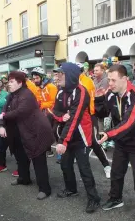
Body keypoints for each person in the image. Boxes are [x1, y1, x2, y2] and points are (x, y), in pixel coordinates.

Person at [95, 64, 135, 221]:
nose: (110, 83)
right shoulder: (110, 94)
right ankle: (116, 199)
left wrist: (109, 134)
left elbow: (129, 122)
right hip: (121, 142)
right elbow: (101, 114)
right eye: (109, 80)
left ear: (125, 79)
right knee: (116, 173)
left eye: (113, 80)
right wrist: (99, 98)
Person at [0, 71, 54, 200]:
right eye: (8, 81)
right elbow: (4, 110)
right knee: (20, 156)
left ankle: (45, 188)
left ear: (20, 82)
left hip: (35, 132)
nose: (8, 84)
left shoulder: (27, 94)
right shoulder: (11, 96)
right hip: (20, 131)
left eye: (11, 82)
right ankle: (24, 178)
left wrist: (4, 116)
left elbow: (21, 111)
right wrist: (1, 124)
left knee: (38, 159)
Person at [53, 62, 101, 213]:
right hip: (68, 135)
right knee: (65, 164)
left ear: (71, 76)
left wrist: (62, 141)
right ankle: (71, 189)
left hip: (81, 136)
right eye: (57, 73)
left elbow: (74, 119)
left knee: (84, 168)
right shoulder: (60, 91)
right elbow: (54, 111)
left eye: (61, 73)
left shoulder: (81, 92)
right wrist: (61, 117)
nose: (58, 76)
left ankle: (94, 198)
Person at [76, 63, 111, 178]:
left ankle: (106, 165)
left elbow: (86, 100)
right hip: (76, 116)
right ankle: (80, 161)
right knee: (77, 139)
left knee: (93, 142)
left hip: (89, 115)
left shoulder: (86, 81)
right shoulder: (74, 81)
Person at [31, 67, 58, 157]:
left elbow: (54, 101)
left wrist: (42, 105)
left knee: (55, 133)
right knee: (44, 132)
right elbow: (39, 100)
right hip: (44, 114)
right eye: (34, 78)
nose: (35, 80)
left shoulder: (51, 87)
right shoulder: (39, 88)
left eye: (37, 78)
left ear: (42, 77)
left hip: (53, 114)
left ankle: (61, 153)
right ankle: (48, 150)